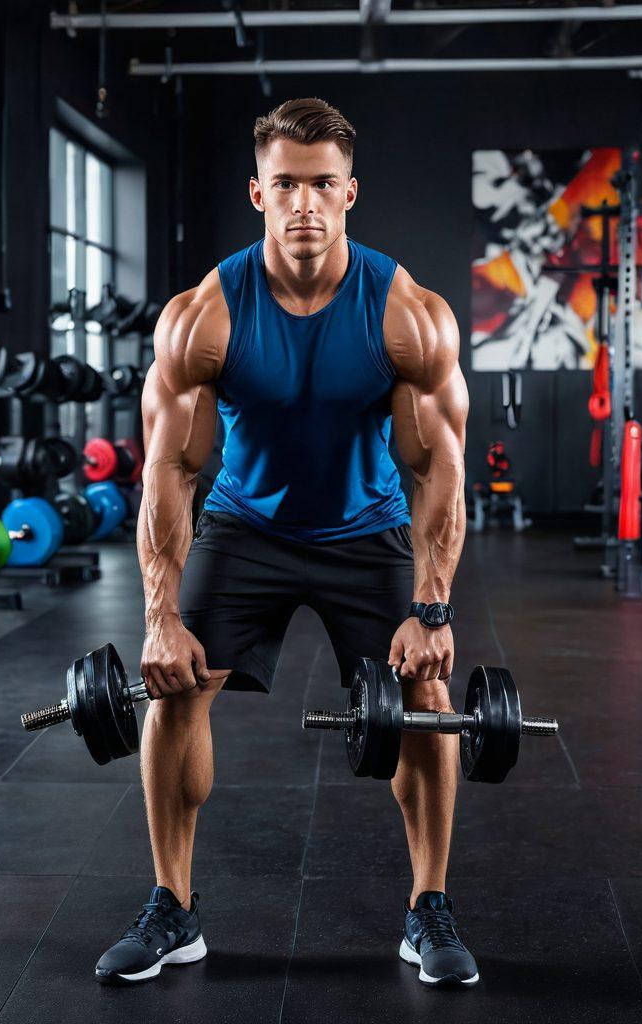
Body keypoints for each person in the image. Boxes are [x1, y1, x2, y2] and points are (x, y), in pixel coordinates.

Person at [94, 97, 474, 989]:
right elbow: (168, 472)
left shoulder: (408, 313)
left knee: (425, 693)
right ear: (258, 193)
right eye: (286, 184)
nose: (305, 202)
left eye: (322, 185)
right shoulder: (203, 316)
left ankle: (429, 909)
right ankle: (172, 908)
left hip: (366, 524)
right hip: (247, 524)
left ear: (351, 193)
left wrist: (431, 608)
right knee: (173, 689)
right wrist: (159, 617)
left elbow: (438, 471)